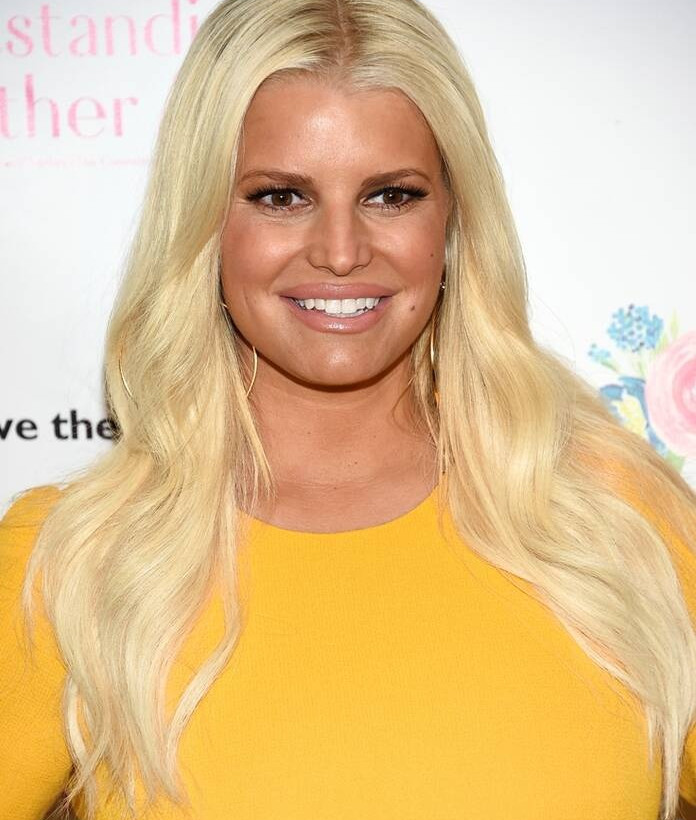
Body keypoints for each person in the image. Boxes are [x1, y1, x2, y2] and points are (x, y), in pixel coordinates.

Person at [2, 0, 696, 818]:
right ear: (204, 219)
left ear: (454, 219)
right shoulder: (70, 564)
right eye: (280, 197)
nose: (340, 251)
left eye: (392, 195)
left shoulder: (617, 520)